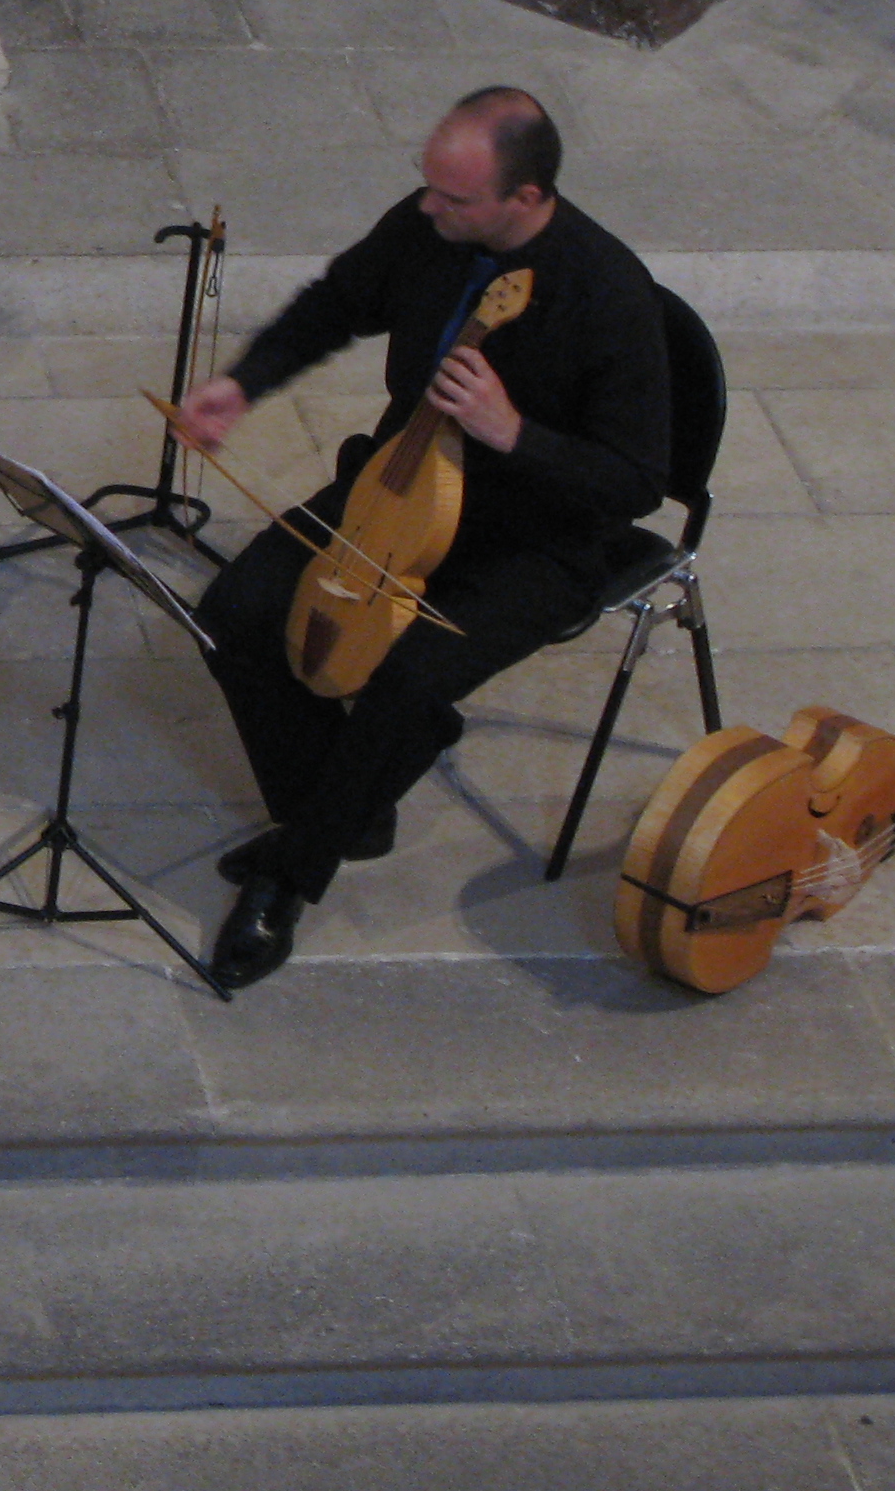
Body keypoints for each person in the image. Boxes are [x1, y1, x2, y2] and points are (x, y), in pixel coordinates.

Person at [170, 86, 670, 989]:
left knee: (404, 681)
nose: (429, 209)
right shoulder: (430, 228)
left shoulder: (608, 294)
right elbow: (336, 304)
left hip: (533, 536)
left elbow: (636, 482)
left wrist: (513, 432)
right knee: (237, 613)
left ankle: (291, 876)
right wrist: (243, 386)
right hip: (398, 484)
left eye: (456, 198)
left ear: (526, 198)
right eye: (428, 189)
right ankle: (344, 807)